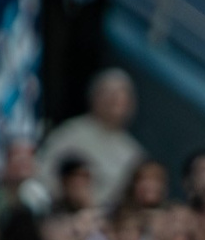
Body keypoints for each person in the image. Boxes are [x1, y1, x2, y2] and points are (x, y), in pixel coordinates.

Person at [38, 68, 144, 210]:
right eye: (110, 95)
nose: (115, 101)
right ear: (95, 97)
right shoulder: (70, 133)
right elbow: (43, 172)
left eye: (122, 97)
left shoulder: (133, 152)